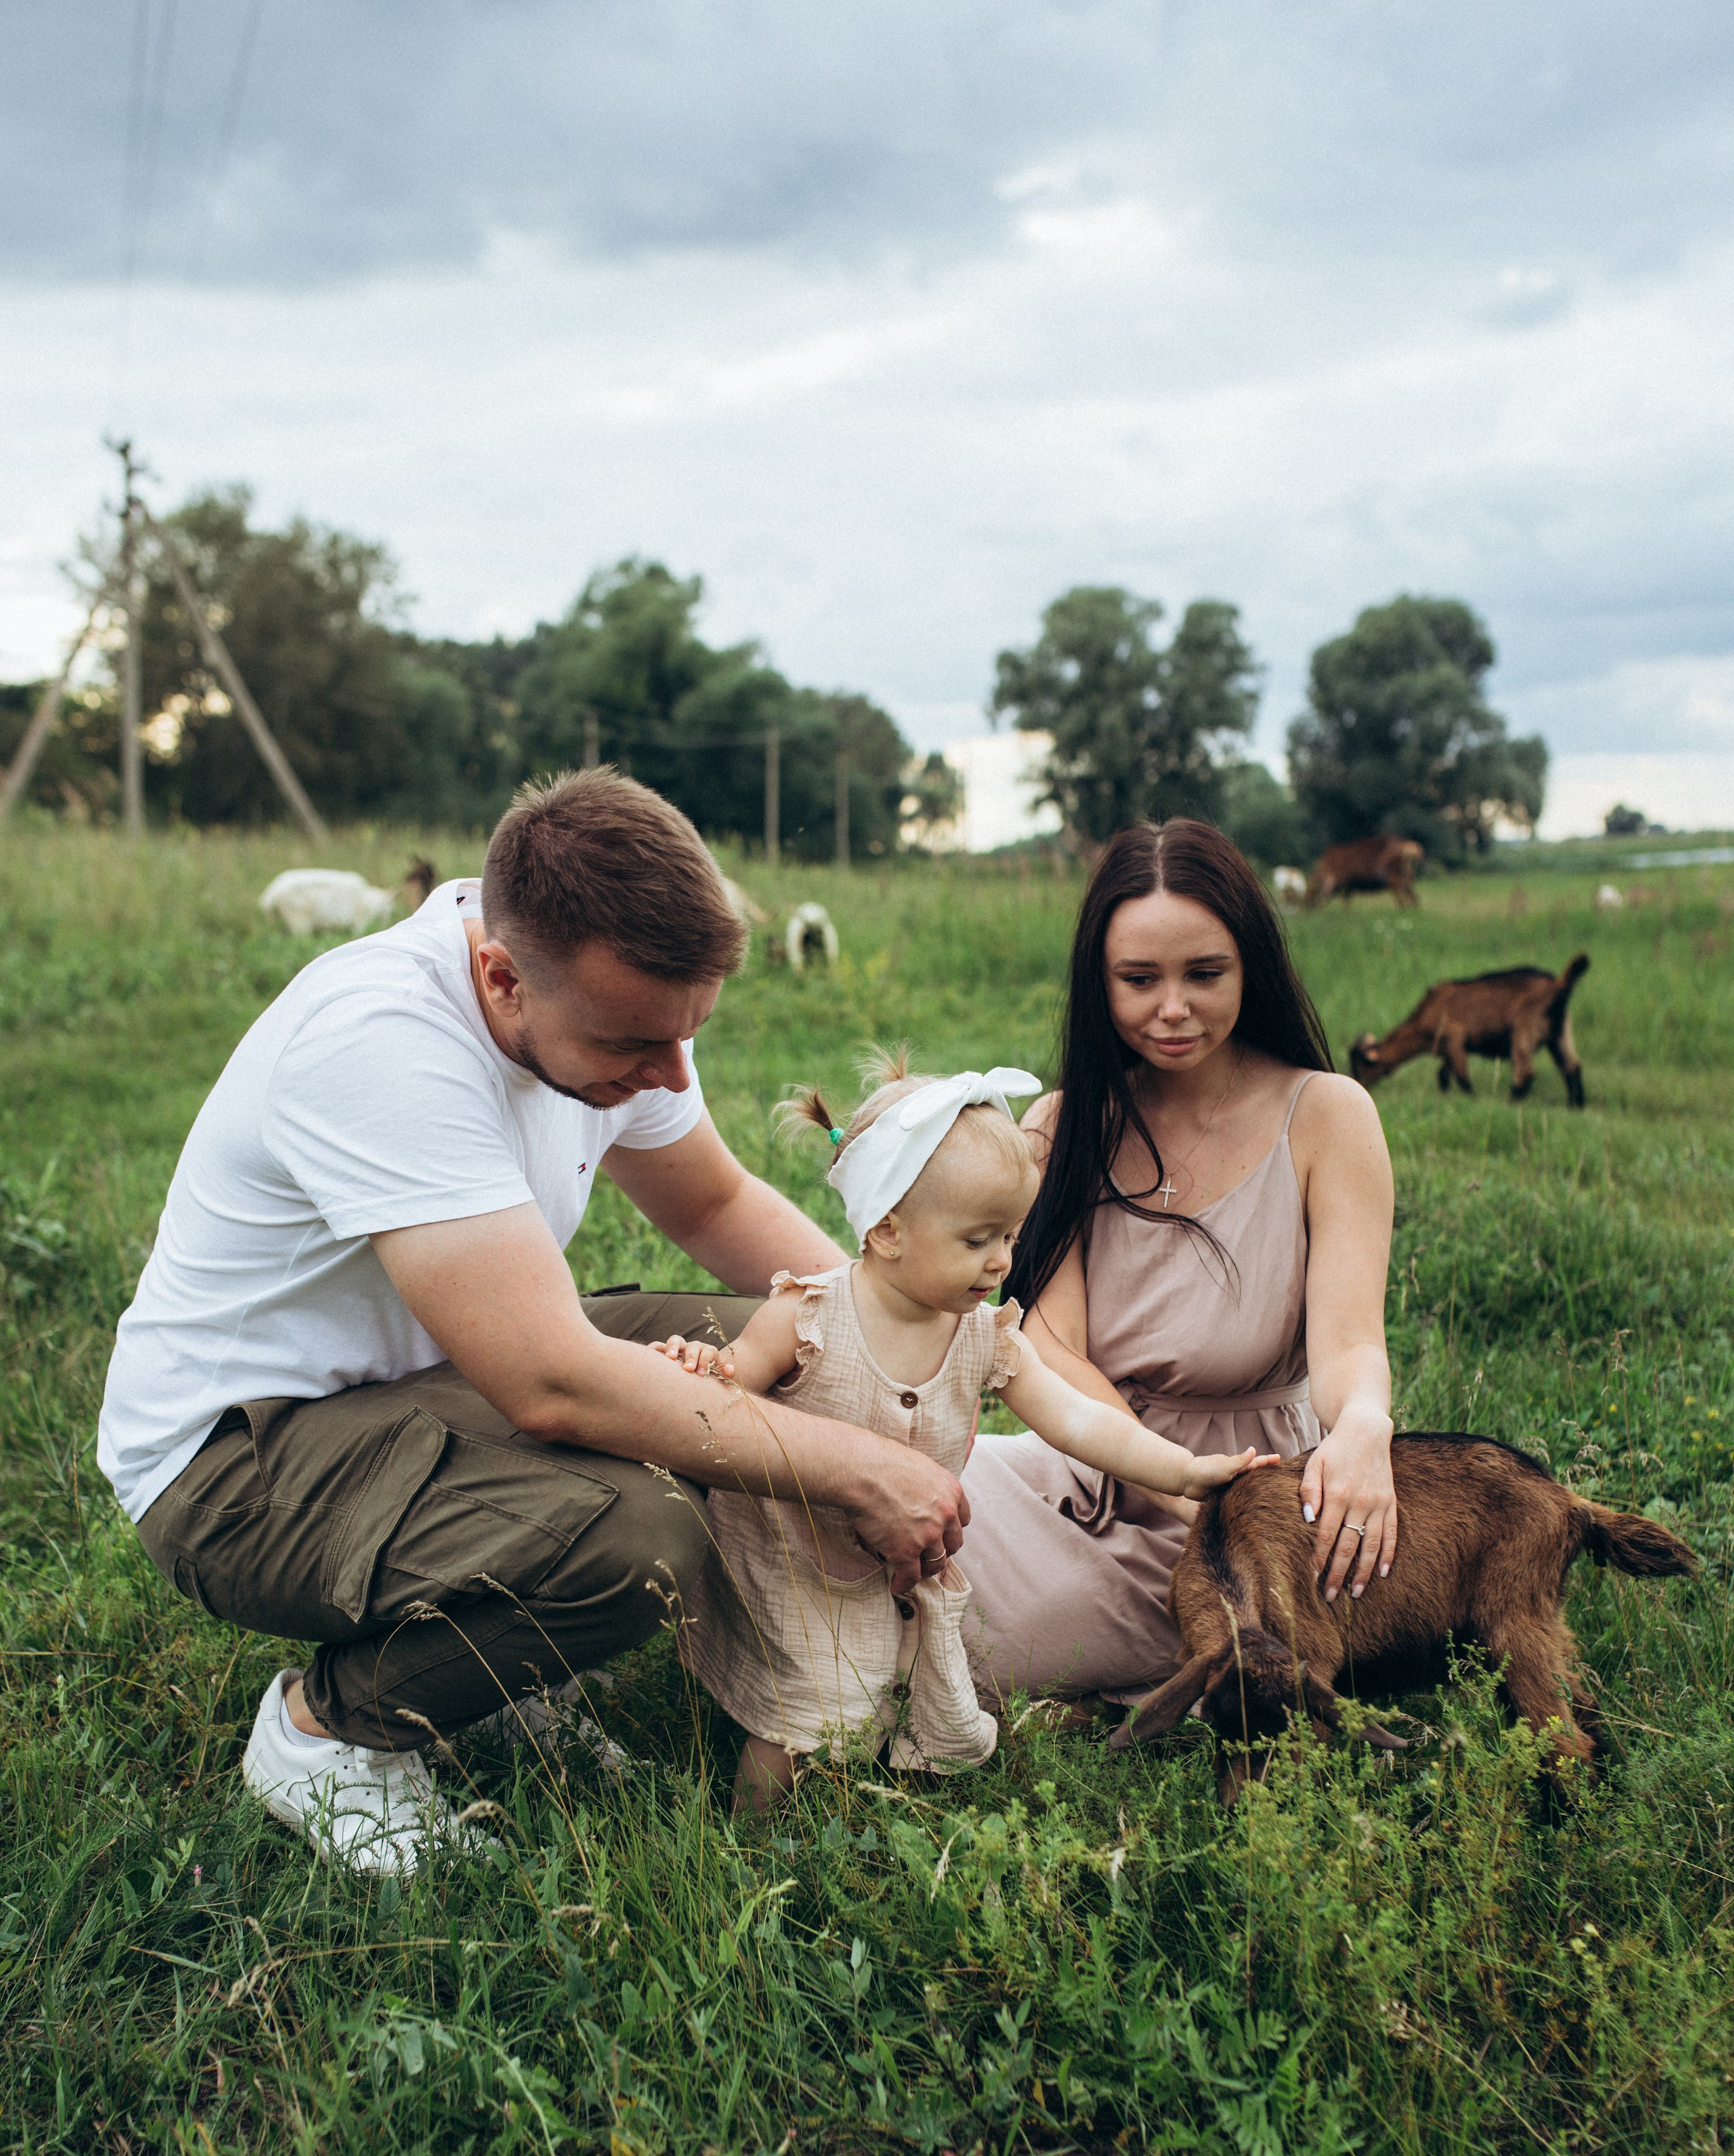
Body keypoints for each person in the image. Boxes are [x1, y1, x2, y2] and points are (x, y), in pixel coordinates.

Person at [96, 771, 971, 1874]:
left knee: (797, 1342)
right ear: (501, 977)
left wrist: (909, 1347)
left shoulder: (600, 1001)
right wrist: (854, 1467)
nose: (666, 1073)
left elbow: (712, 1201)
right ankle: (329, 1731)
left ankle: (498, 1670)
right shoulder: (381, 1044)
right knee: (640, 1537)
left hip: (420, 1389)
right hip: (237, 1468)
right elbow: (551, 1382)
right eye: (632, 1048)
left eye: (684, 1037)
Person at [654, 1051, 1273, 1813]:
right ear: (886, 1231)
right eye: (978, 1239)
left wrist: (1180, 1472)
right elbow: (728, 1388)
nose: (1003, 1260)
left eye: (1011, 1235)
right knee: (800, 1716)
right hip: (795, 1555)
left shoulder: (983, 1336)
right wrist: (696, 1363)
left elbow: (1075, 1418)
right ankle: (747, 1842)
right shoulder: (809, 1316)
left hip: (896, 1561)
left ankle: (856, 1804)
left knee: (876, 1692)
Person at [959, 816, 1397, 1710]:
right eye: (1138, 980)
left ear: (1253, 969)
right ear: (1099, 982)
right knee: (892, 1488)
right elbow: (1053, 1349)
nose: (1173, 1008)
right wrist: (1156, 1471)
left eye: (1205, 975)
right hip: (1092, 1463)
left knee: (977, 1620)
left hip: (1244, 1510)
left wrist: (1364, 1425)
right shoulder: (1066, 1121)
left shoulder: (1326, 1115)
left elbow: (1349, 1341)